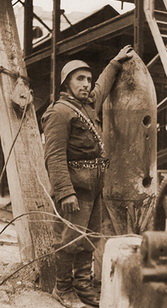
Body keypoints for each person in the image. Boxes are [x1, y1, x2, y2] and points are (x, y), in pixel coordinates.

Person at [41, 45, 133, 308]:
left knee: (88, 237)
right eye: (79, 79)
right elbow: (54, 157)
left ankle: (83, 286)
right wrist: (65, 192)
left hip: (94, 185)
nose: (86, 84)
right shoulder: (59, 112)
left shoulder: (88, 104)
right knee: (68, 239)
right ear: (66, 83)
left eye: (88, 79)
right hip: (74, 186)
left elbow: (102, 86)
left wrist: (115, 62)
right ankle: (63, 289)